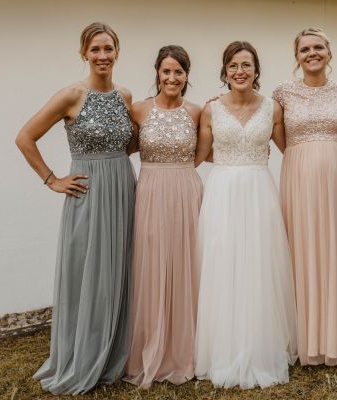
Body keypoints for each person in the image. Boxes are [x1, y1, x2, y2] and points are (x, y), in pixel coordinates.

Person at [14, 22, 135, 395]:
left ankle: (114, 351)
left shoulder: (126, 96)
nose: (102, 55)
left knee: (119, 268)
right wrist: (52, 180)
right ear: (84, 53)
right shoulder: (71, 95)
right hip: (87, 191)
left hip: (123, 188)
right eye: (95, 49)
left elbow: (128, 145)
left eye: (108, 48)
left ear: (117, 52)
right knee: (86, 271)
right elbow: (25, 137)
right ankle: (81, 355)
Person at [193, 41, 297, 389]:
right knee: (223, 262)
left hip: (259, 191)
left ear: (256, 71)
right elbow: (199, 155)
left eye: (246, 65)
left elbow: (290, 150)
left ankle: (259, 343)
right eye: (233, 65)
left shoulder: (273, 108)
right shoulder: (210, 109)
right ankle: (222, 346)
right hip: (222, 191)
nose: (240, 71)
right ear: (225, 71)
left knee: (258, 264)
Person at [273, 27, 337, 366]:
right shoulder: (283, 93)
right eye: (305, 49)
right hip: (299, 176)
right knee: (302, 246)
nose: (312, 53)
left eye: (318, 47)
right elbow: (275, 133)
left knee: (336, 247)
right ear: (297, 57)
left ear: (329, 52)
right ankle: (305, 336)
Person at [124, 45, 202, 389]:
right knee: (151, 263)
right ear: (157, 72)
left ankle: (186, 346)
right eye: (166, 71)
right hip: (151, 192)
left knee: (187, 263)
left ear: (186, 75)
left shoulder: (197, 111)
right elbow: (123, 149)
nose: (172, 77)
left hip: (186, 189)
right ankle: (151, 344)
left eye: (178, 71)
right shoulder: (139, 109)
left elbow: (206, 152)